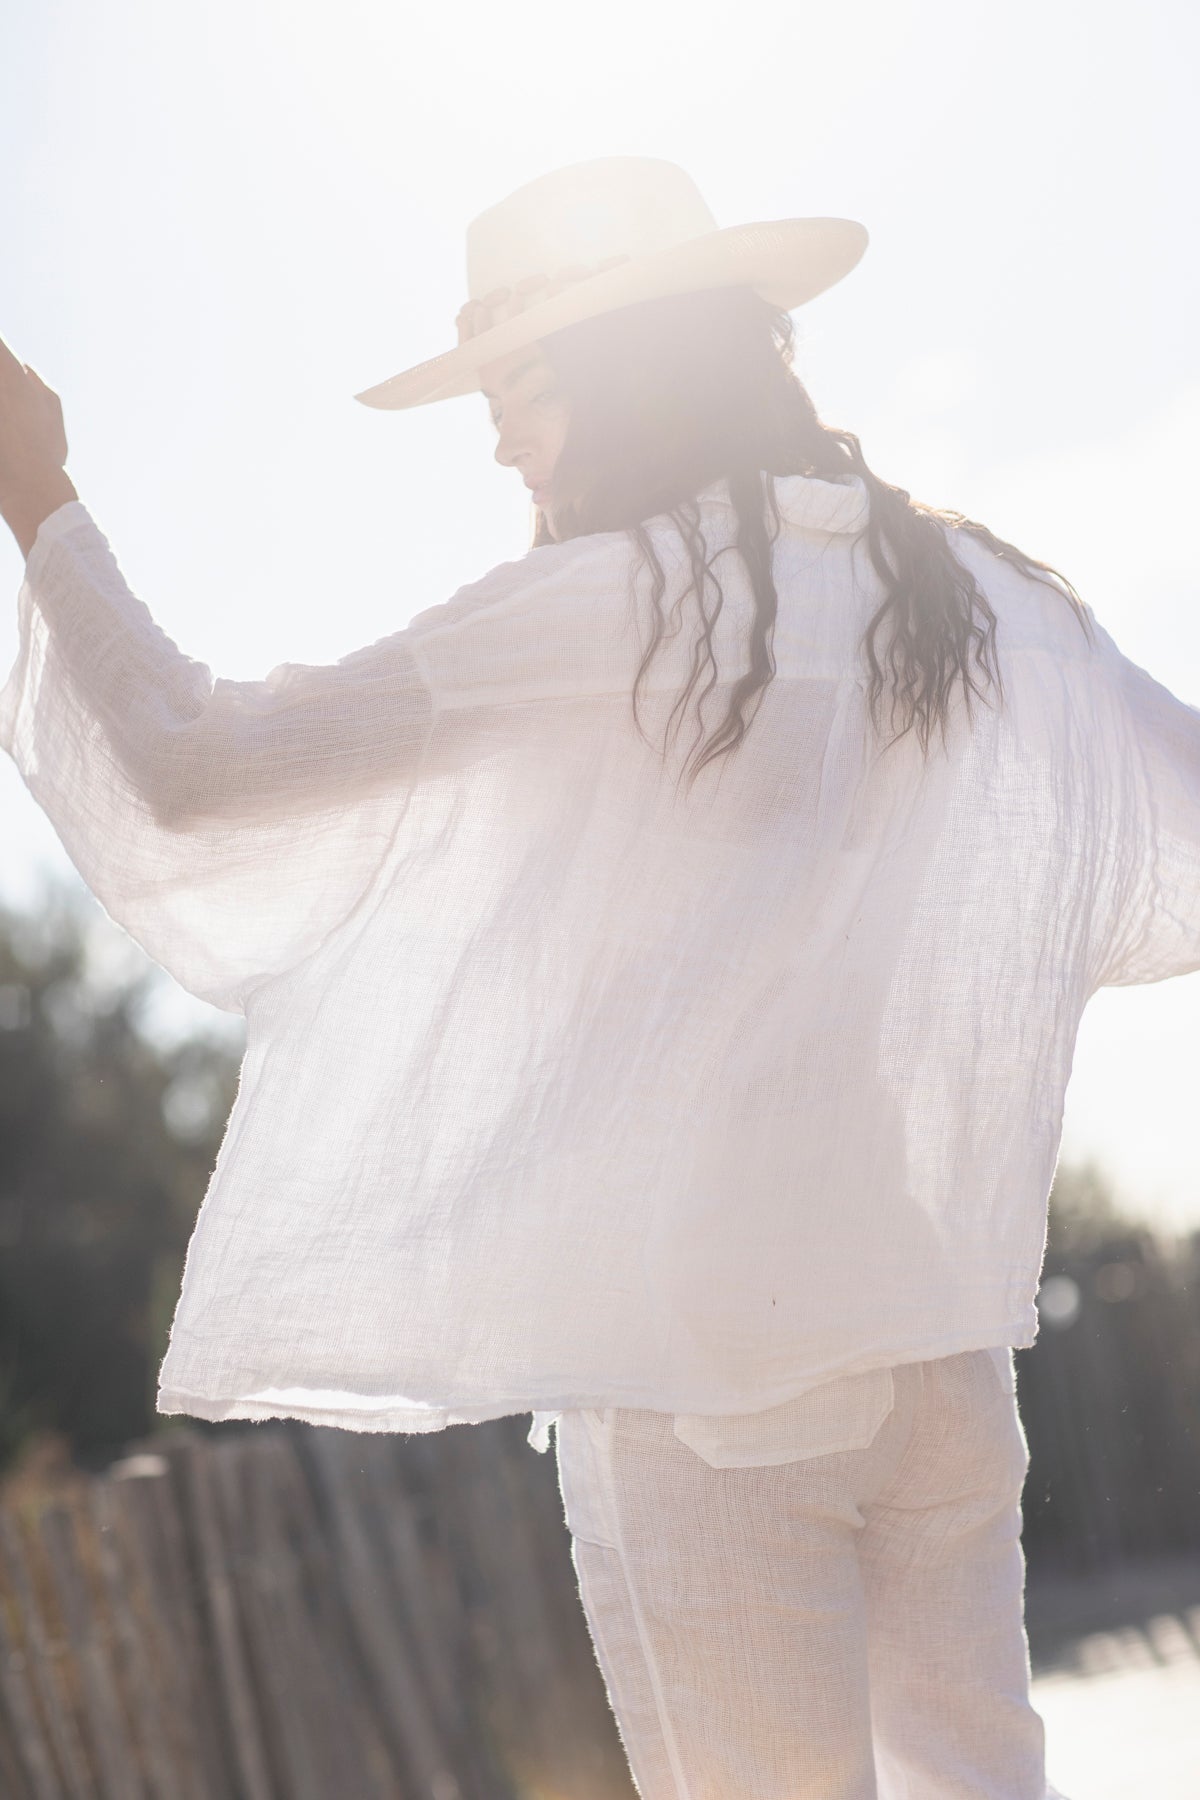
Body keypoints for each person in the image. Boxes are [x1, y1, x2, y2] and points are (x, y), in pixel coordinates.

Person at [7, 150, 1194, 1797]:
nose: (494, 430)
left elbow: (195, 770)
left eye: (518, 380)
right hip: (943, 1377)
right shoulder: (984, 602)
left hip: (710, 1393)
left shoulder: (620, 606)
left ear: (637, 366)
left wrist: (39, 494)